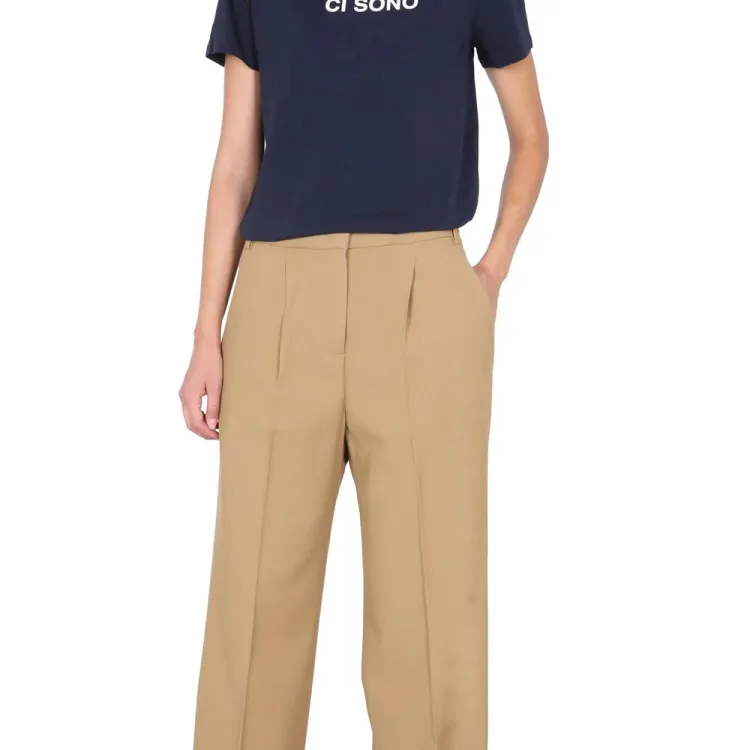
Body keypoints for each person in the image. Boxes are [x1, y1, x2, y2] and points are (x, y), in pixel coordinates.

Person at [180, 0, 548, 747]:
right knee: (254, 602)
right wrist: (205, 333)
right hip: (278, 297)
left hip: (425, 296)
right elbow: (236, 162)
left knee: (430, 609)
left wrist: (491, 271)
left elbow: (532, 136)